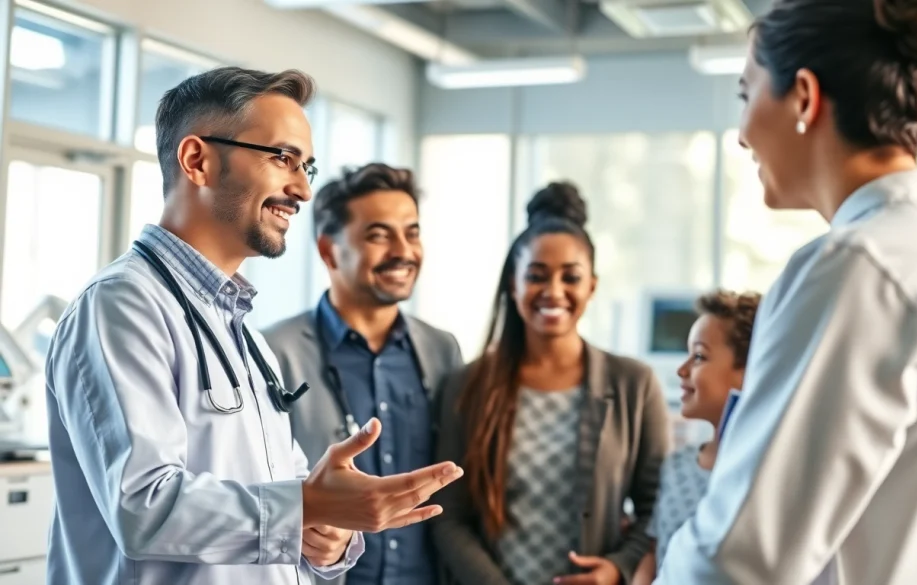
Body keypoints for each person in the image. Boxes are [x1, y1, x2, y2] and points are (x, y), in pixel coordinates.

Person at [44, 67, 463, 585]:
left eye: (306, 166)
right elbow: (143, 507)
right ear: (197, 160)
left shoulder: (248, 340)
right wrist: (306, 506)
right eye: (282, 158)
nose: (303, 190)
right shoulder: (120, 307)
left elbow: (284, 525)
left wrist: (325, 536)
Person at [655, 1, 917, 584]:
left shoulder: (857, 266)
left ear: (803, 96)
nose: (743, 135)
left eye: (746, 95)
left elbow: (738, 560)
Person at [432, 182, 671, 585]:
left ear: (591, 286)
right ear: (514, 284)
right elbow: (448, 514)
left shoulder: (635, 384)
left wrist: (618, 568)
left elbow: (658, 506)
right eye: (537, 276)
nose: (554, 292)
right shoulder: (468, 385)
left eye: (570, 277)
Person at [264, 162, 463, 585]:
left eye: (412, 232)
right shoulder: (271, 352)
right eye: (378, 235)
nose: (403, 251)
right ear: (328, 250)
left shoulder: (442, 350)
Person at [631, 290, 761, 585]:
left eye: (699, 356)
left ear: (751, 369)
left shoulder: (765, 476)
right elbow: (654, 554)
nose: (682, 369)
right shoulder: (676, 466)